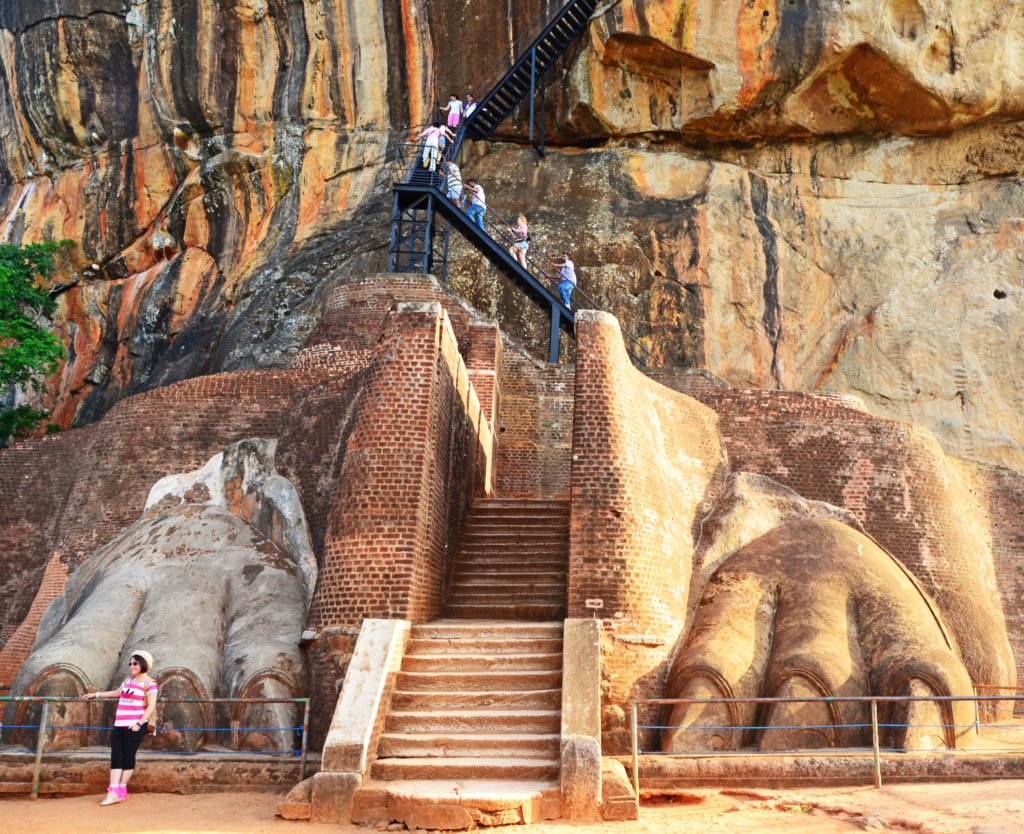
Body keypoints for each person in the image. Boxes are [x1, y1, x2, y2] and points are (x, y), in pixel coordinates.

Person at [82, 650, 158, 806]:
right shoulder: (128, 681)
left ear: (143, 664)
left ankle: (120, 790)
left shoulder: (150, 684)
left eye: (135, 663)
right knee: (116, 756)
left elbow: (151, 706)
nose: (131, 666)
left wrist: (138, 724)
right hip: (119, 725)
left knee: (128, 757)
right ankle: (113, 791)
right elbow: (117, 693)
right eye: (130, 663)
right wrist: (96, 695)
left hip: (135, 726)